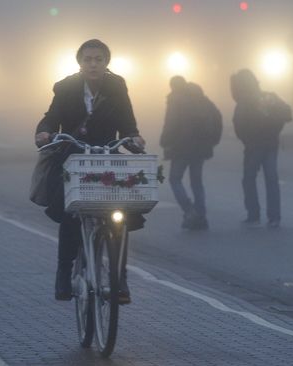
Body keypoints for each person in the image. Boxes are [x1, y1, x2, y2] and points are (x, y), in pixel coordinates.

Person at [35, 39, 146, 303]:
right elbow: (52, 116)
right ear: (80, 62)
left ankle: (120, 278)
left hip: (107, 157)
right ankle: (64, 273)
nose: (93, 64)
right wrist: (45, 131)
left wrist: (134, 138)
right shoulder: (66, 87)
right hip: (73, 156)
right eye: (88, 59)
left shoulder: (117, 86)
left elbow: (128, 123)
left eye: (99, 59)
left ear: (107, 62)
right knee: (71, 214)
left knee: (119, 217)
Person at [230, 69, 292, 229]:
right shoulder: (268, 97)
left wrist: (246, 139)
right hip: (271, 143)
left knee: (249, 179)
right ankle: (274, 217)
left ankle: (253, 214)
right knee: (271, 179)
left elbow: (238, 125)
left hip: (253, 146)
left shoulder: (244, 102)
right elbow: (287, 112)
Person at [160, 76, 222, 230]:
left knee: (175, 179)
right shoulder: (202, 99)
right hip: (200, 147)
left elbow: (170, 123)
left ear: (173, 86)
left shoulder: (176, 99)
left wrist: (165, 142)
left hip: (181, 147)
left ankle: (189, 211)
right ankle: (201, 216)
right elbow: (217, 118)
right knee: (197, 182)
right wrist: (213, 141)